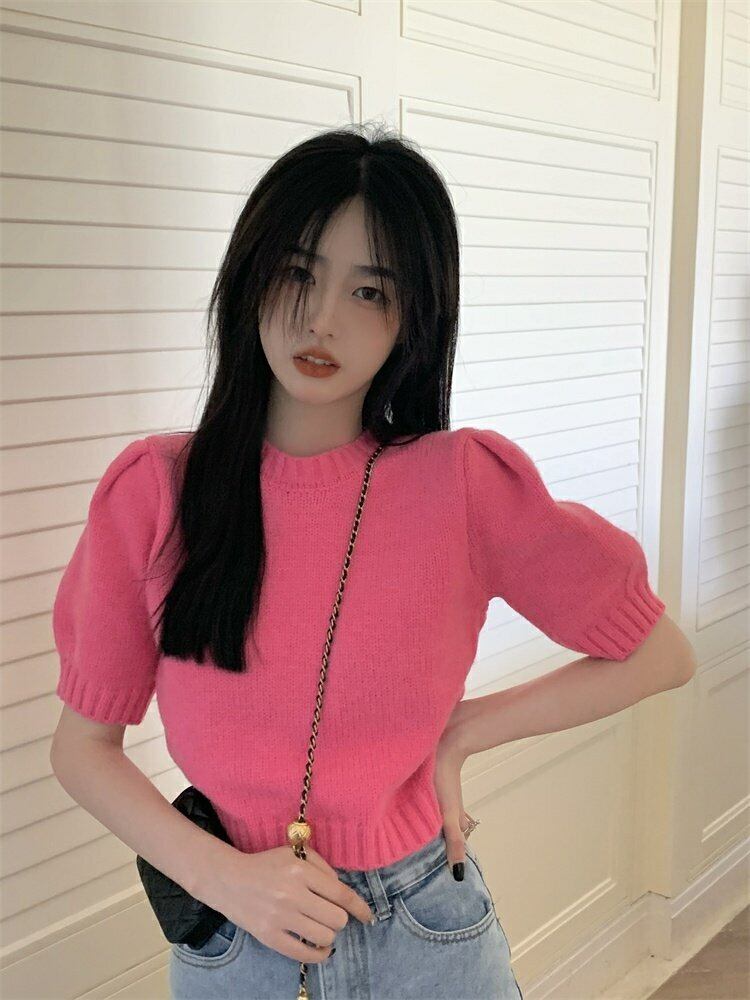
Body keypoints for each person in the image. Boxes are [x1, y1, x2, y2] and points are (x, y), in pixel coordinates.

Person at [49, 123, 695, 1000]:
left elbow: (659, 654)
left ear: (413, 318)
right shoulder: (158, 492)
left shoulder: (460, 484)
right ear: (250, 276)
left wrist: (462, 732)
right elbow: (83, 749)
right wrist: (223, 878)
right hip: (236, 937)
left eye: (369, 291)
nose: (324, 320)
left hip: (427, 930)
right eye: (298, 274)